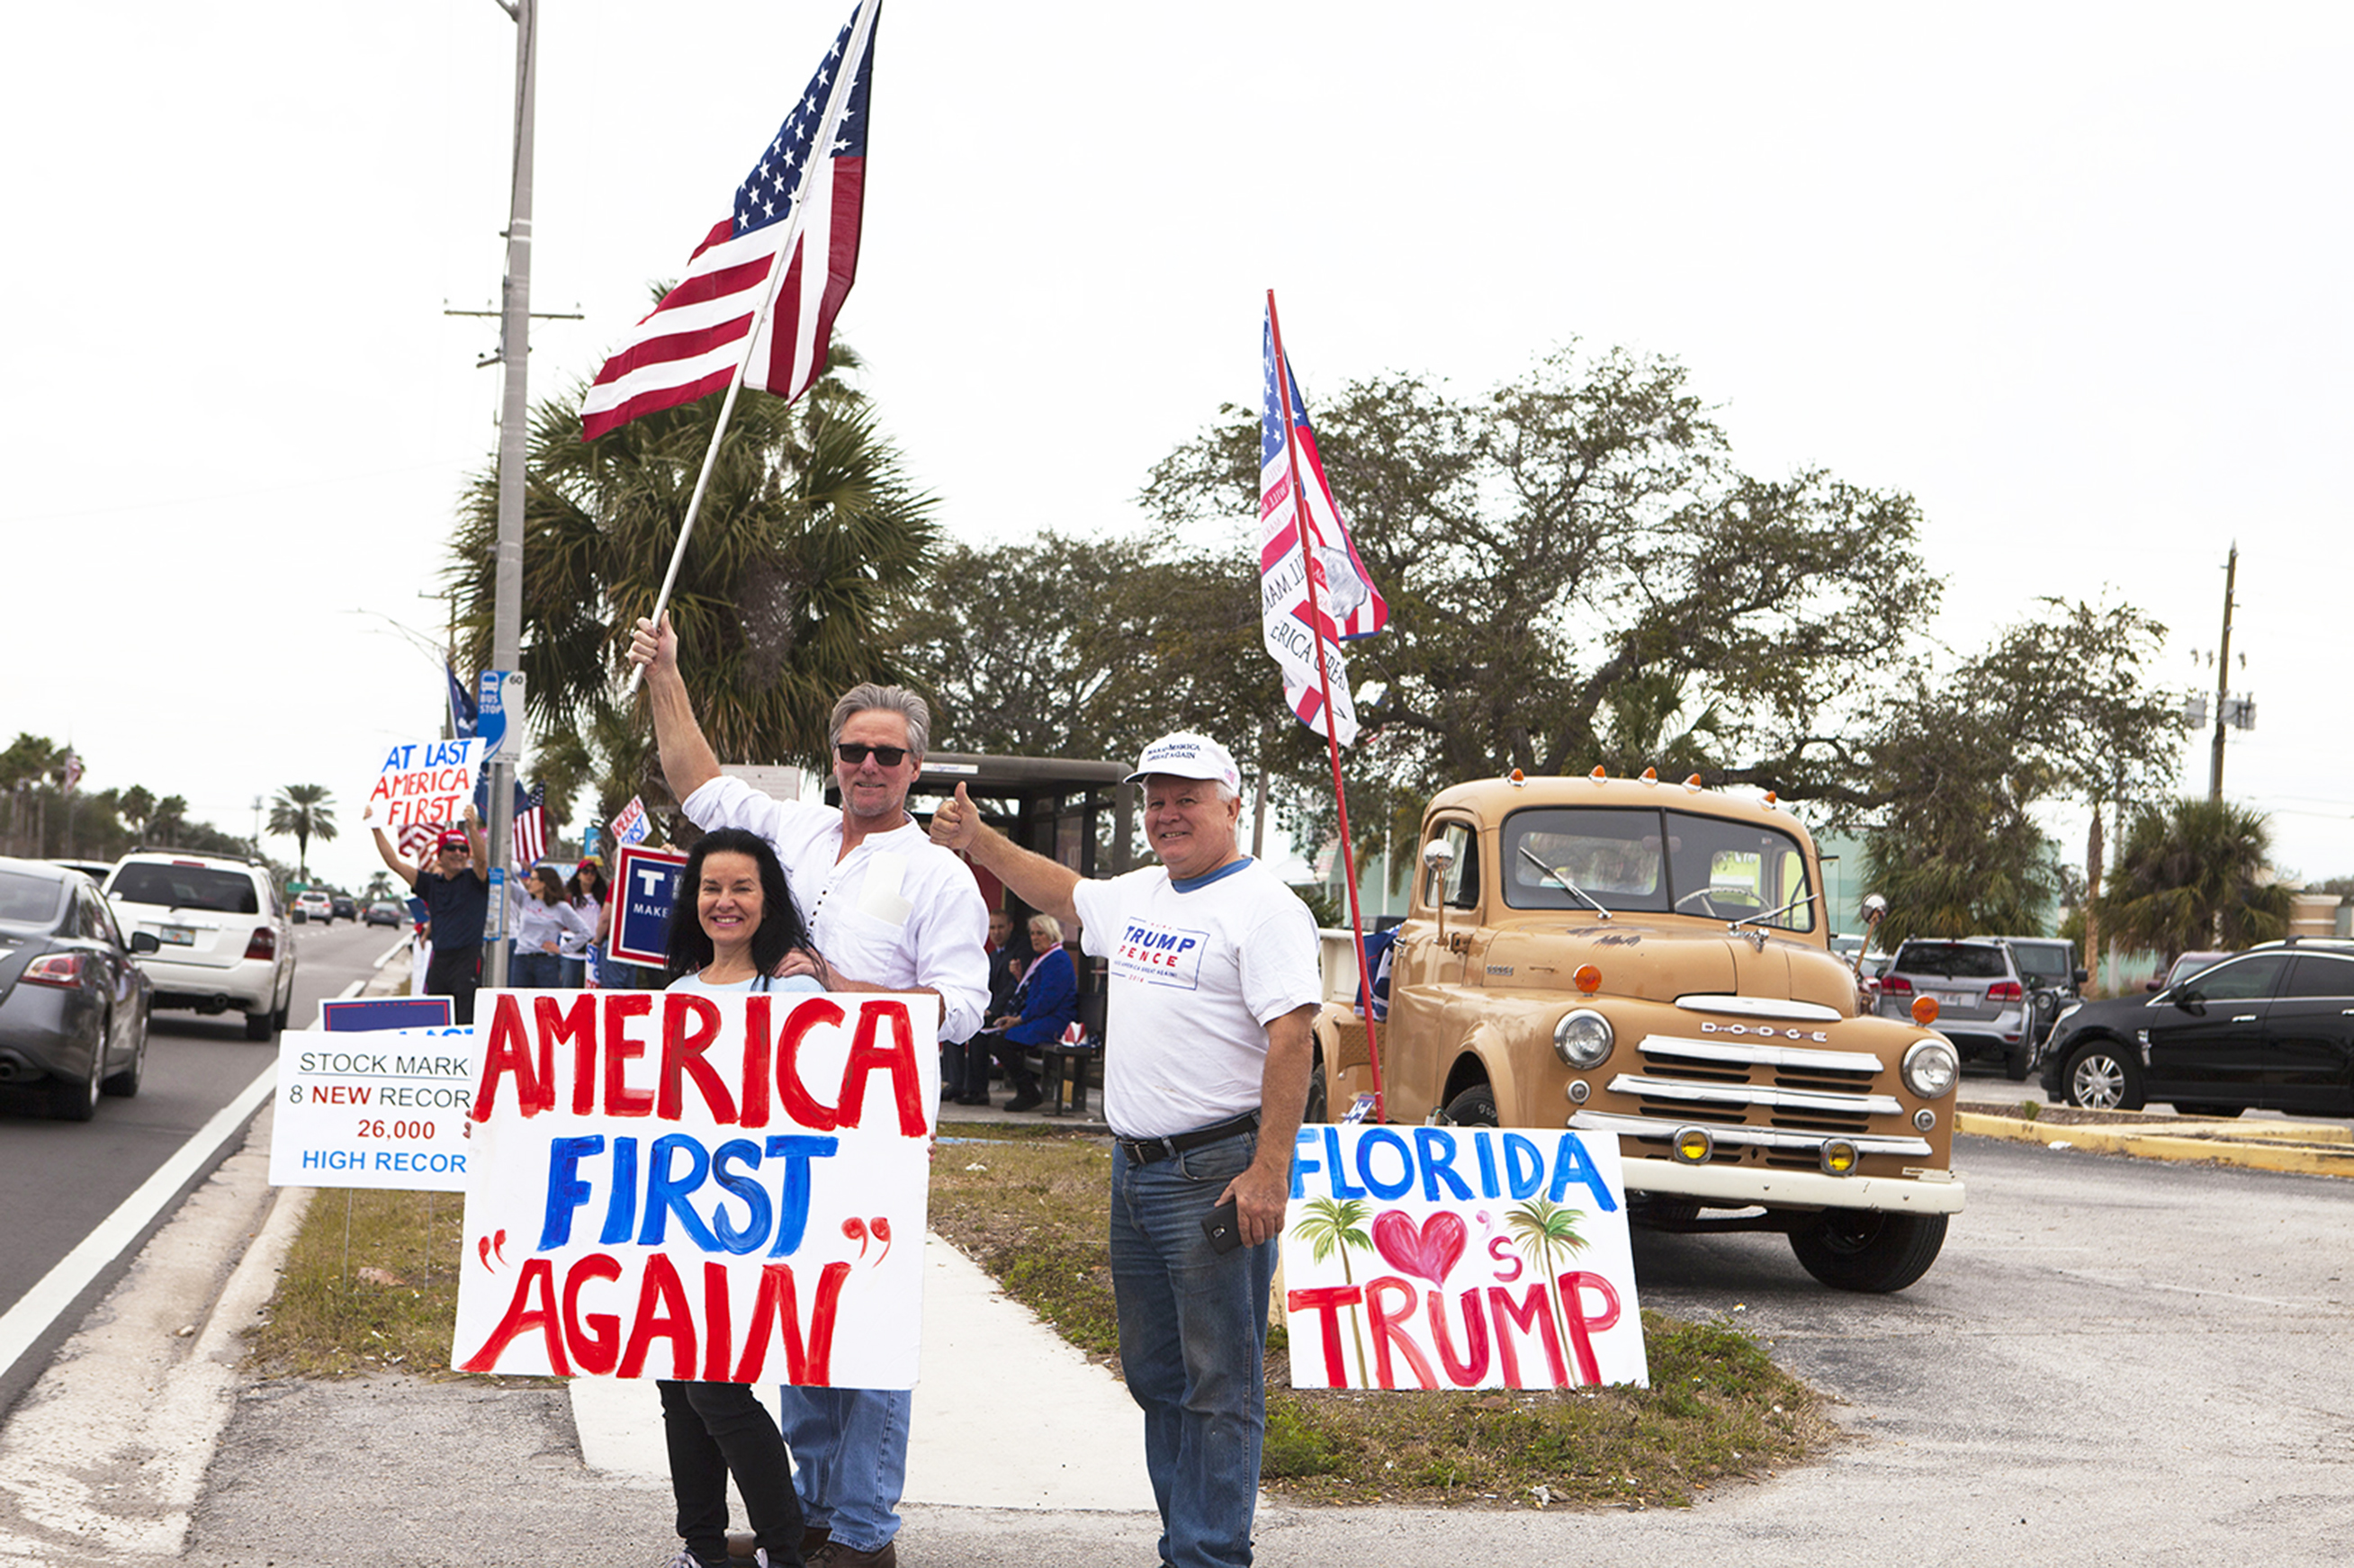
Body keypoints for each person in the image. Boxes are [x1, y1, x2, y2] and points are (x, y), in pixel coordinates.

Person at [629, 611, 989, 1568]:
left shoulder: (937, 876)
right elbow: (695, 778)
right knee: (806, 1322)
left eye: (888, 753)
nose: (869, 766)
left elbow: (959, 1009)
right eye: (853, 750)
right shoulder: (787, 828)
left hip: (876, 1132)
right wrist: (666, 669)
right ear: (832, 757)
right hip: (775, 1131)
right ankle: (817, 1512)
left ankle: (867, 1533)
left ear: (914, 766)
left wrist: (840, 989)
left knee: (867, 1331)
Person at [928, 731, 1319, 1568]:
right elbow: (1063, 890)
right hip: (1135, 1171)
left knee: (1221, 1382)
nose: (1167, 813)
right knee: (1154, 1374)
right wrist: (979, 840)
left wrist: (1270, 1170)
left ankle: (1209, 1554)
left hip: (1216, 1174)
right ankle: (1188, 1538)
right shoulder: (1142, 892)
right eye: (1155, 798)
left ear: (1232, 804)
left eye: (1187, 796)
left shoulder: (1266, 907)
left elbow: (1294, 1037)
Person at [656, 827, 821, 1568]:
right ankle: (703, 1545)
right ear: (694, 901)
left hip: (754, 1220)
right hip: (673, 1216)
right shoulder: (675, 995)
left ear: (767, 899)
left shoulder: (792, 990)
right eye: (711, 888)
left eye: (742, 887)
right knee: (676, 1384)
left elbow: (833, 1098)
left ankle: (784, 1548)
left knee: (716, 1388)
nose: (725, 901)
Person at [372, 806, 490, 1024]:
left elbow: (482, 862)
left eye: (463, 849)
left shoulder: (475, 881)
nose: (458, 853)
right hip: (440, 961)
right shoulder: (430, 883)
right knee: (437, 1019)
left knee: (465, 1020)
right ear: (439, 858)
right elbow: (394, 863)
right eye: (451, 848)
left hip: (468, 959)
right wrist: (375, 828)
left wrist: (472, 826)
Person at [972, 913, 1079, 1111]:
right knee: (986, 1035)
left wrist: (1019, 1019)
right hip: (1040, 1018)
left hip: (1056, 1021)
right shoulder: (1041, 959)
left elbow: (1048, 1000)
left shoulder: (1057, 959)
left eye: (1040, 933)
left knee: (1001, 1042)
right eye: (1032, 933)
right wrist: (1019, 977)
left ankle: (1028, 1092)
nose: (1035, 938)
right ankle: (974, 1090)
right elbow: (1030, 991)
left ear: (1052, 935)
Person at [508, 865, 593, 988]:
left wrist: (562, 949)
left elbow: (585, 933)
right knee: (519, 1001)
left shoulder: (561, 908)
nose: (528, 882)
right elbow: (506, 882)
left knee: (545, 1003)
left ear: (543, 883)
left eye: (533, 879)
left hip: (545, 962)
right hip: (521, 959)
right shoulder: (525, 898)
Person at [562, 856, 608, 988]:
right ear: (578, 875)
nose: (589, 875)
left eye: (593, 873)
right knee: (569, 987)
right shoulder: (570, 897)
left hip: (594, 948)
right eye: (585, 872)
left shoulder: (601, 897)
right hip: (573, 950)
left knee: (593, 990)